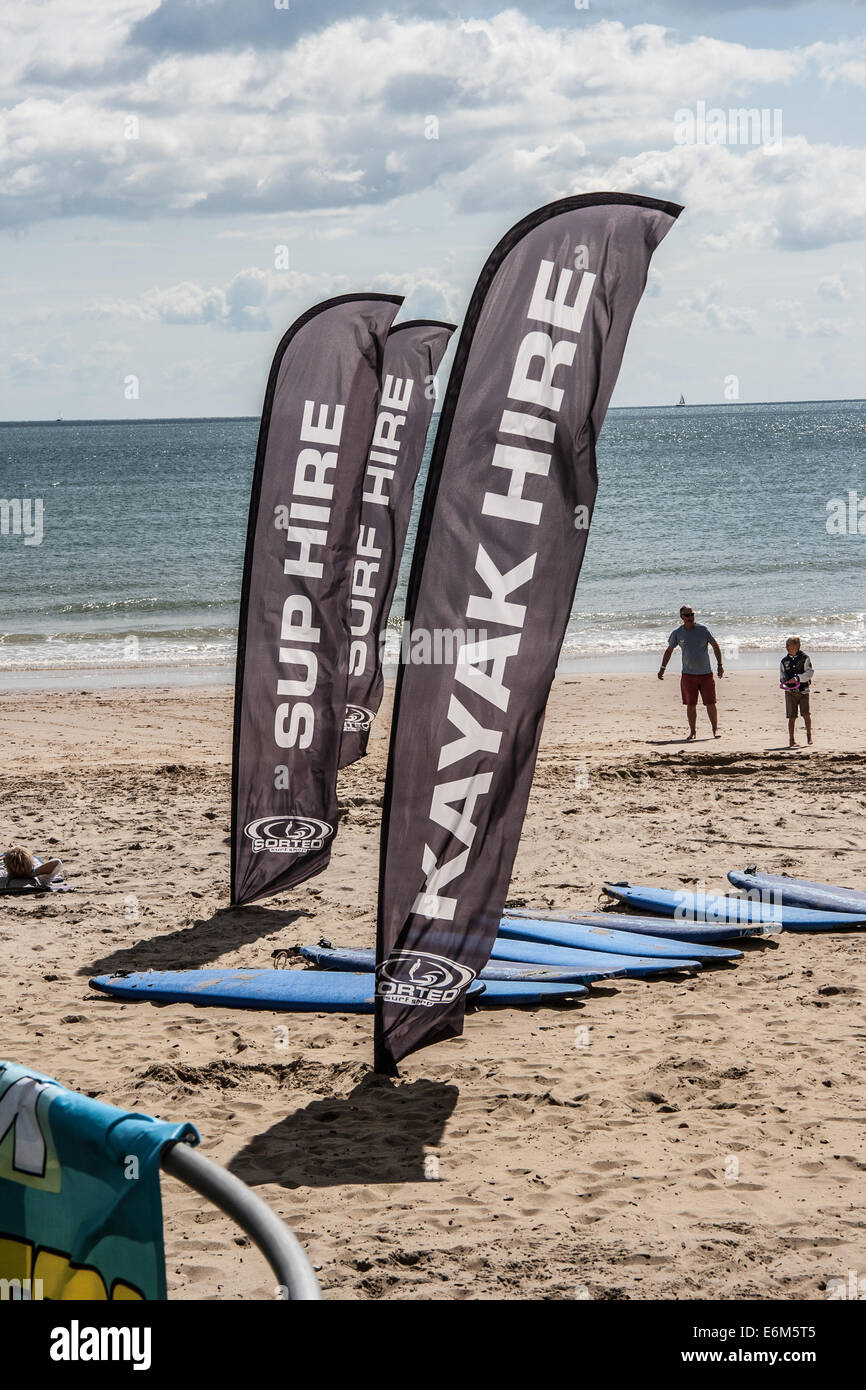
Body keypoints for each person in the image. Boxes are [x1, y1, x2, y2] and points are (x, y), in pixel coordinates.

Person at [658, 605, 724, 740]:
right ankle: (693, 732)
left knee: (711, 703)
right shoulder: (678, 633)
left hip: (706, 674)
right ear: (682, 617)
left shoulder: (703, 630)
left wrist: (720, 665)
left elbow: (716, 646)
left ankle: (715, 730)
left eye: (692, 614)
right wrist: (662, 668)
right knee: (691, 704)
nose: (690, 617)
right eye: (687, 615)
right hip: (688, 675)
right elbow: (669, 650)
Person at [780, 637, 814, 747]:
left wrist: (797, 678)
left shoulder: (805, 658)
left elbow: (810, 673)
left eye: (788, 645)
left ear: (797, 646)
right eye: (786, 645)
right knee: (791, 716)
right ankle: (791, 739)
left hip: (803, 691)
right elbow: (782, 673)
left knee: (806, 714)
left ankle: (809, 736)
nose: (787, 647)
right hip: (790, 692)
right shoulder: (784, 661)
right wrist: (783, 680)